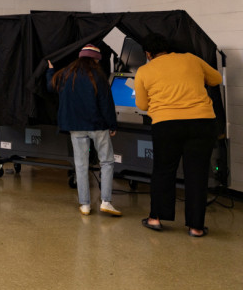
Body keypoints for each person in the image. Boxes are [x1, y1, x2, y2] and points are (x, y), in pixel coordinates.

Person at [135, 33, 222, 237]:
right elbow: (216, 79)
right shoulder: (191, 59)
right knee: (197, 174)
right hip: (202, 122)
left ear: (148, 53)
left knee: (163, 171)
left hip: (166, 125)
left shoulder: (145, 70)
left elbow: (142, 105)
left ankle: (155, 218)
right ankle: (196, 227)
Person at [47, 44, 122, 217]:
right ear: (95, 59)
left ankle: (85, 205)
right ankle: (106, 202)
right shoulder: (99, 76)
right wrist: (112, 124)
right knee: (107, 162)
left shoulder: (66, 74)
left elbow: (51, 87)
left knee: (81, 165)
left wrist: (50, 71)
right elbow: (106, 103)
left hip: (75, 127)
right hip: (98, 126)